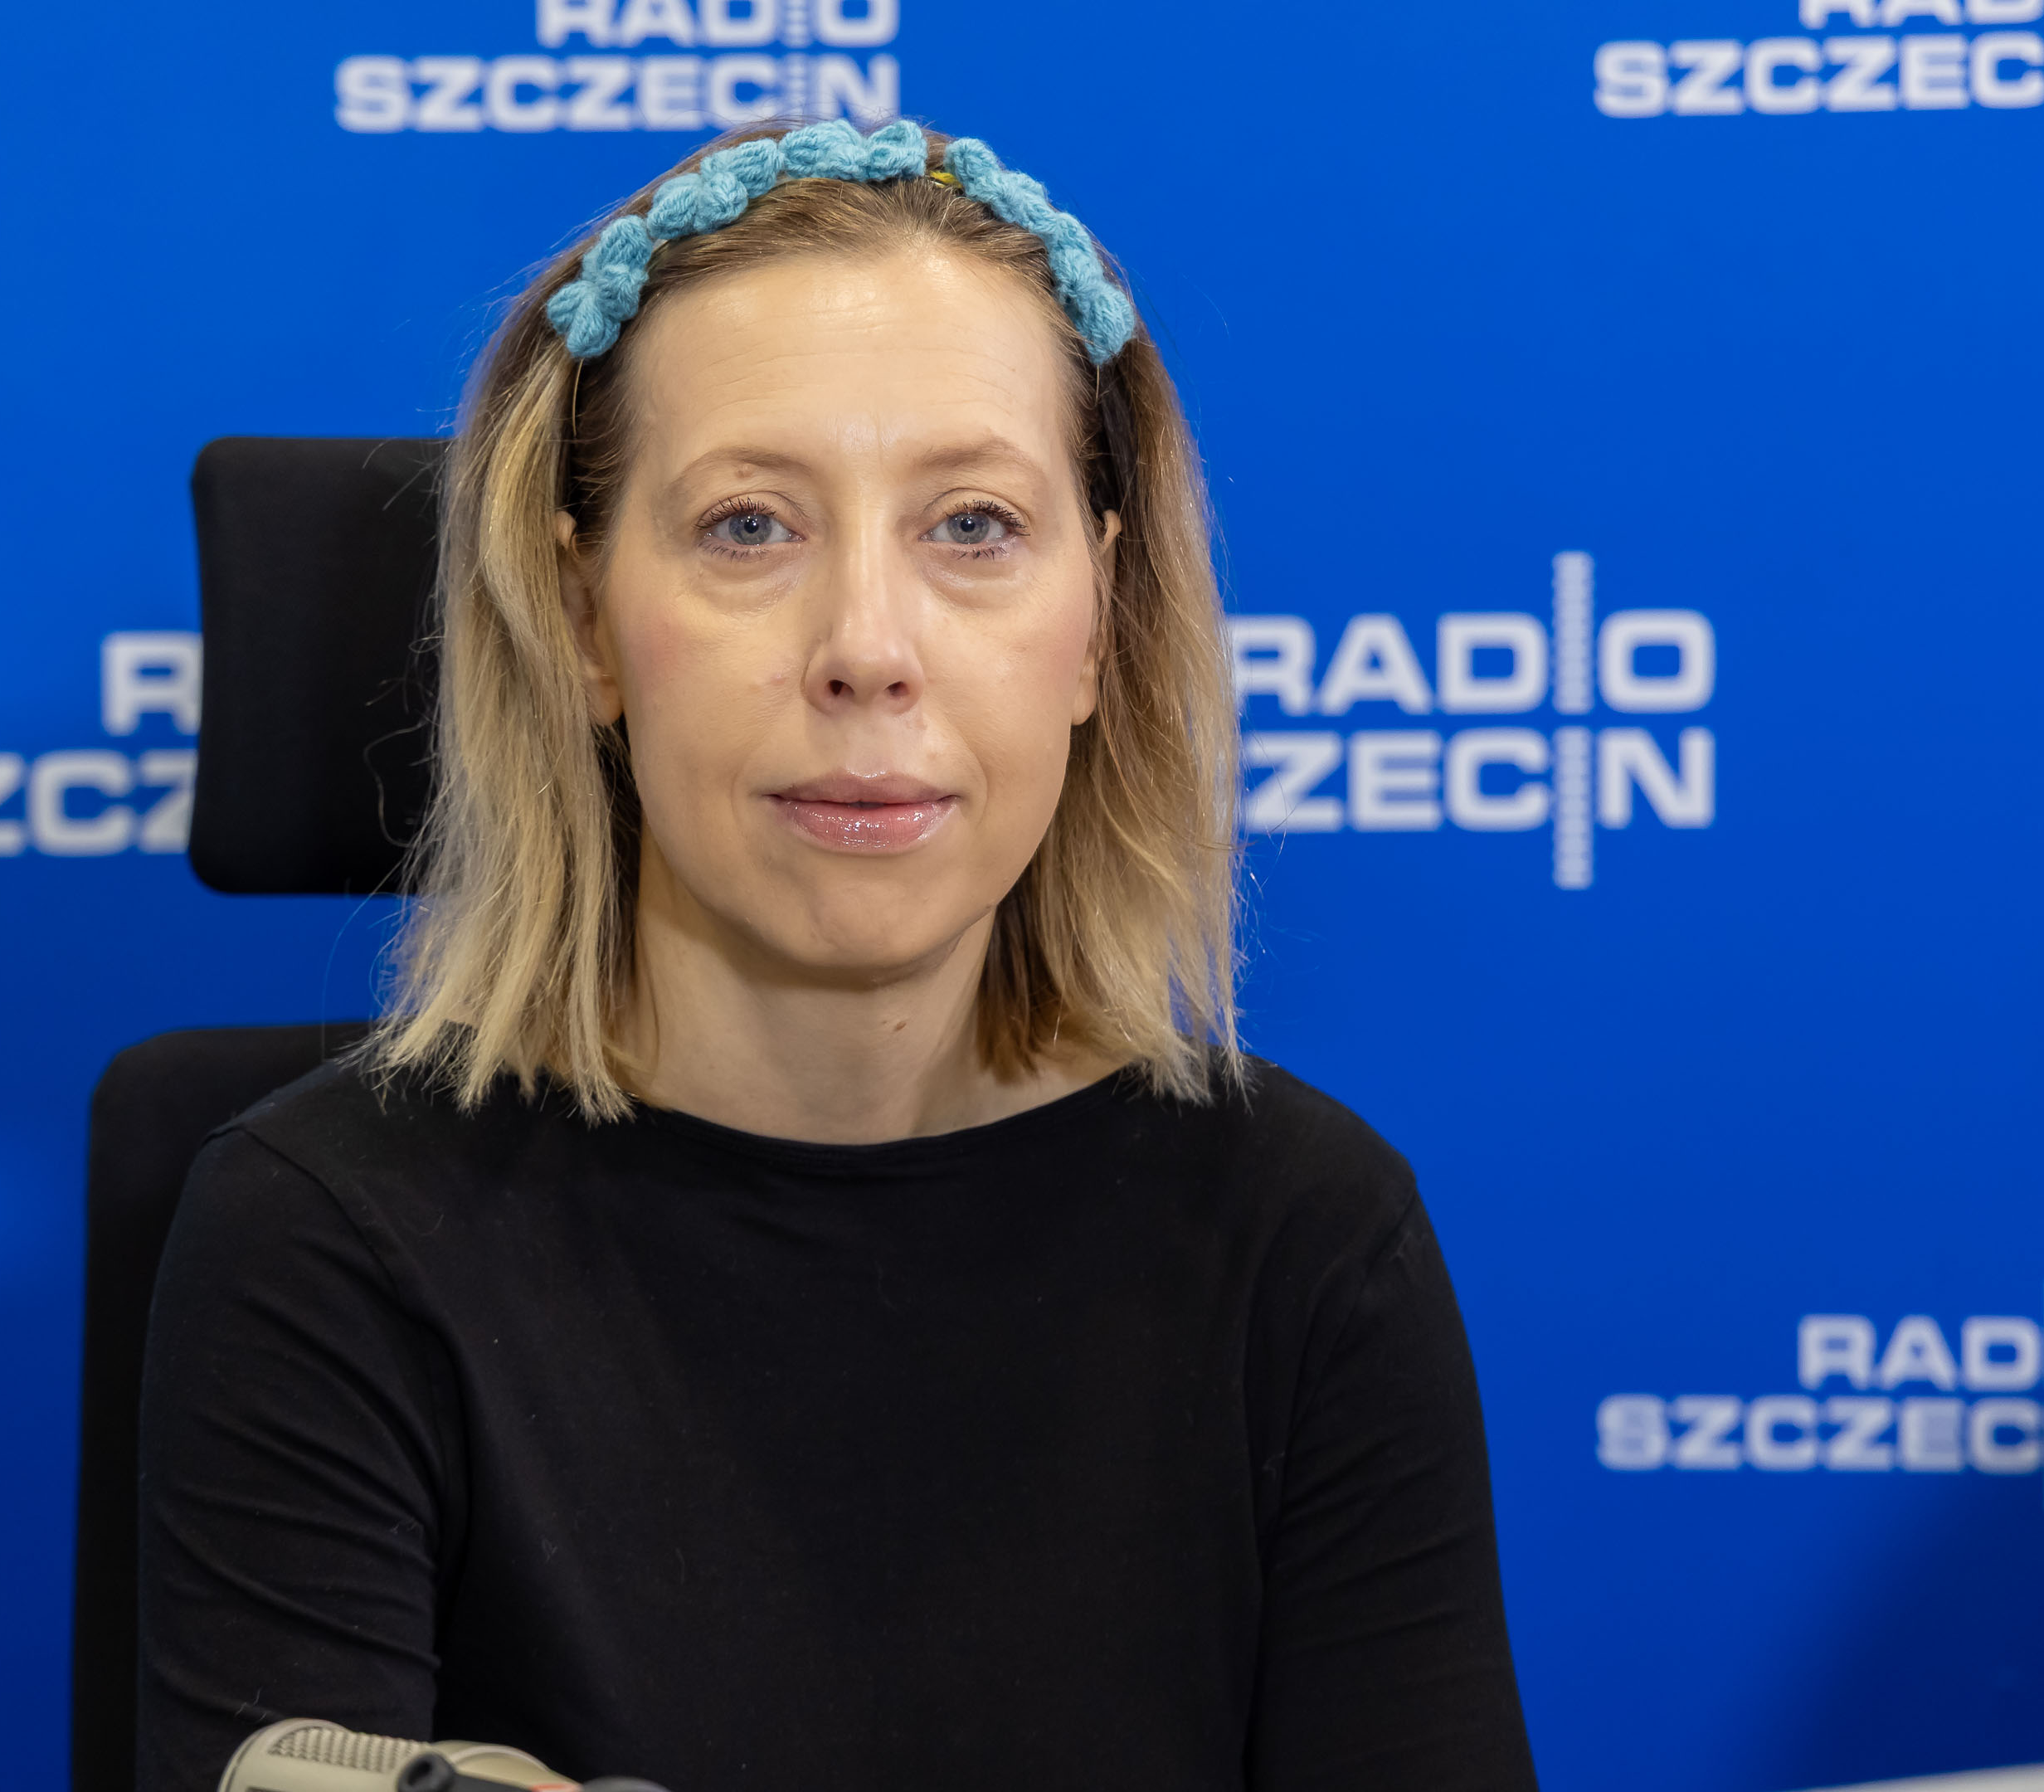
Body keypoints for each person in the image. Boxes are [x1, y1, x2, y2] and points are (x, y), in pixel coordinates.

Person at [136, 117, 1534, 1792]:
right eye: (749, 527)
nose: (867, 649)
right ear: (582, 620)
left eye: (973, 525)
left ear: (1099, 618)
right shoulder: (326, 1244)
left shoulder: (1308, 1241)